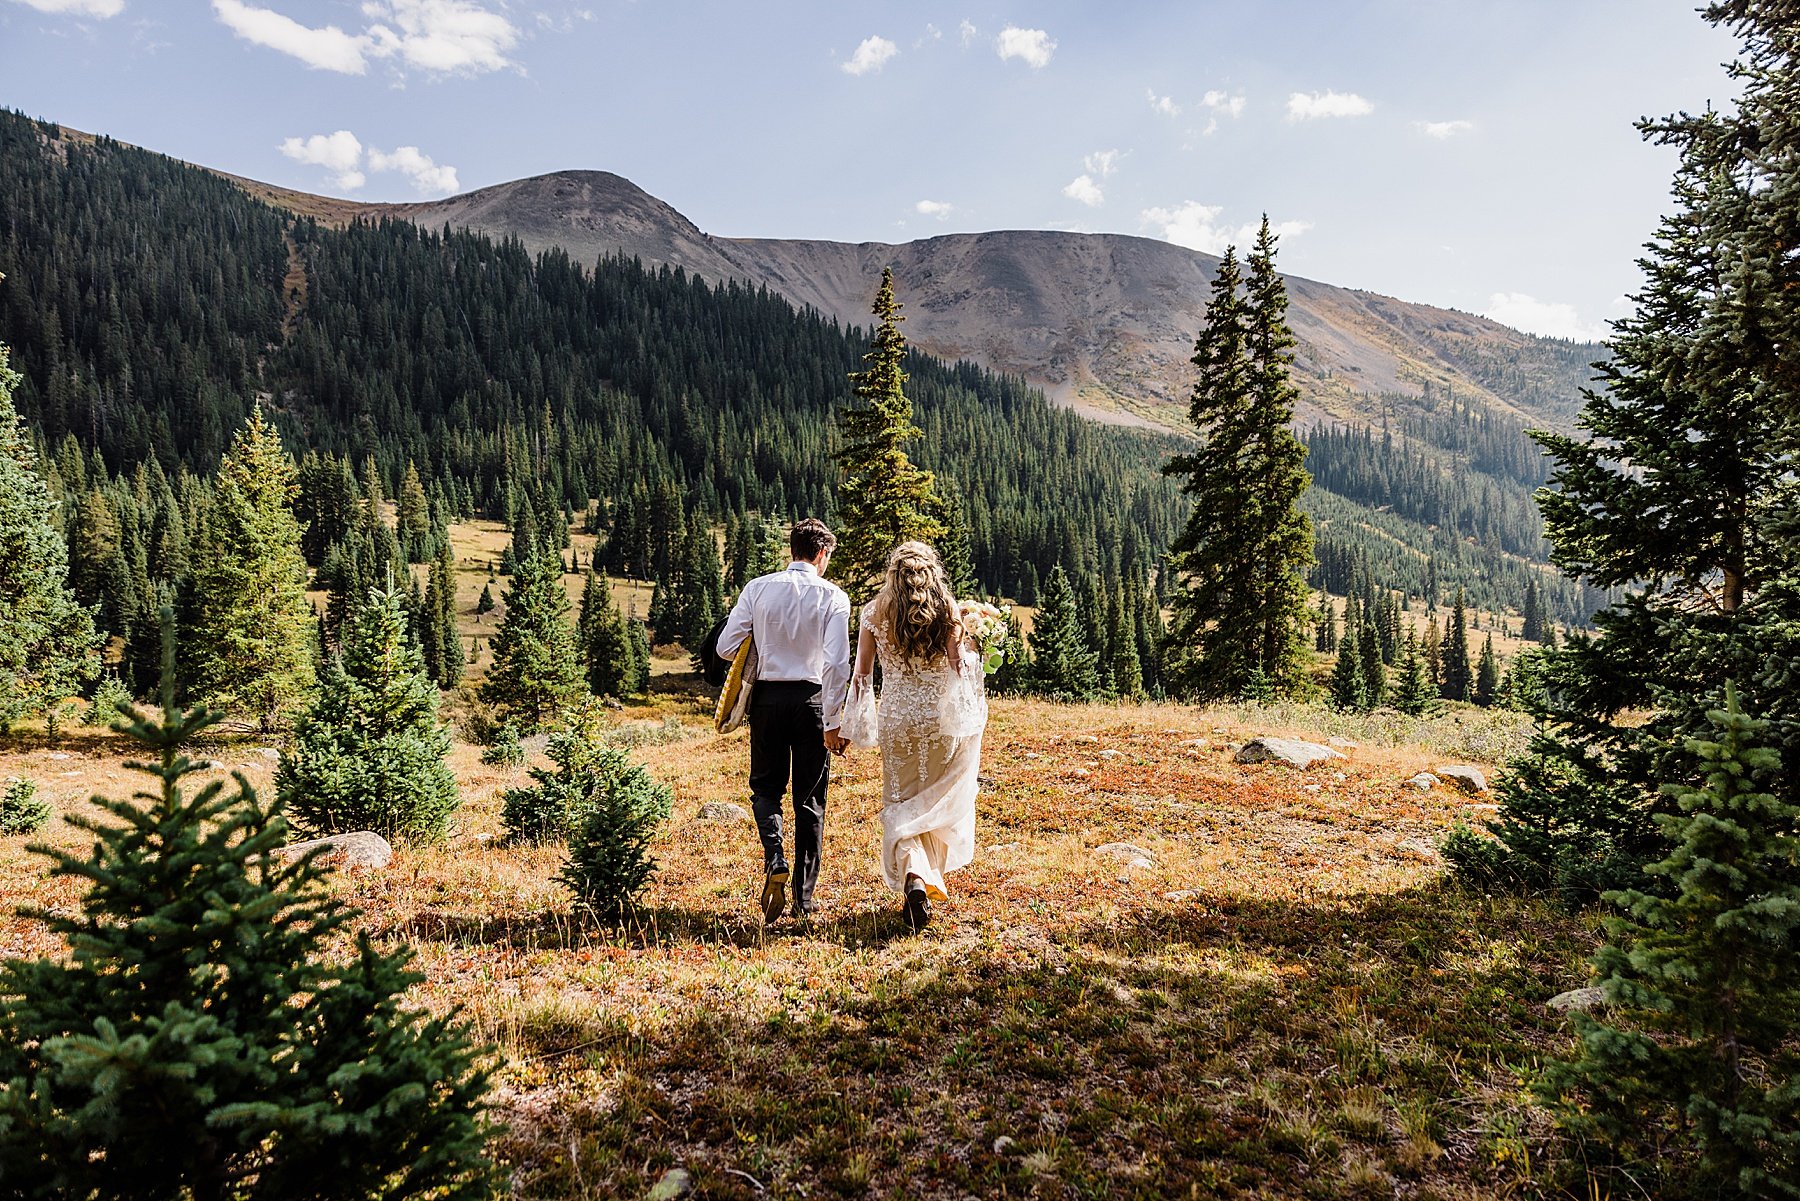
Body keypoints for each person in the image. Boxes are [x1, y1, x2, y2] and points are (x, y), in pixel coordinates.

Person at [842, 541, 987, 931]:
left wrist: (853, 724)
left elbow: (862, 675)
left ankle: (915, 879)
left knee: (900, 801)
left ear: (894, 575)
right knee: (932, 800)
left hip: (899, 720)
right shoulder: (948, 610)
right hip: (939, 723)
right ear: (931, 573)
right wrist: (978, 650)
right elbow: (961, 668)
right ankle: (922, 879)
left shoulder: (874, 613)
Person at [716, 519, 851, 924]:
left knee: (765, 788)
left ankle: (775, 857)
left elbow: (725, 647)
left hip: (768, 700)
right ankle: (804, 903)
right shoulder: (834, 597)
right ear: (822, 554)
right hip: (811, 701)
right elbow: (837, 664)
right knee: (810, 800)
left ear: (792, 550)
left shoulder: (758, 589)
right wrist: (833, 720)